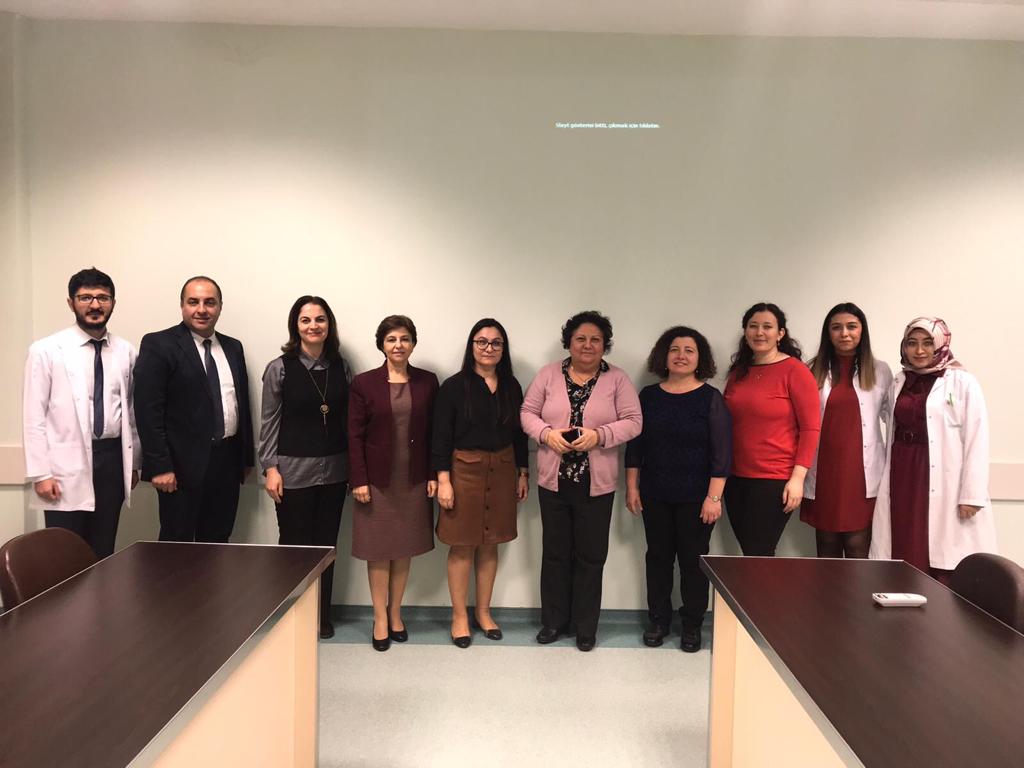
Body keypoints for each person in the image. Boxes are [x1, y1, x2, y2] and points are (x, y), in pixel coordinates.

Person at [521, 310, 642, 652]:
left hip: (596, 484)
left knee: (591, 556)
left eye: (595, 340)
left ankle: (585, 627)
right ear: (569, 342)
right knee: (555, 554)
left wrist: (599, 435)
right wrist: (546, 434)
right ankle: (553, 622)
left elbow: (634, 421)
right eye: (580, 339)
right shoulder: (548, 375)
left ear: (605, 345)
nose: (588, 345)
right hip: (554, 481)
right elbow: (527, 413)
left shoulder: (617, 379)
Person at [625, 326, 731, 652]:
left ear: (700, 358)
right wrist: (631, 487)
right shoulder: (648, 396)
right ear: (664, 356)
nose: (681, 355)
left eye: (689, 350)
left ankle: (692, 625)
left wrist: (714, 497)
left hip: (697, 499)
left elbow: (722, 453)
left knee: (692, 562)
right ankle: (658, 620)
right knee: (657, 559)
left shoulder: (711, 398)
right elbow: (635, 447)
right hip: (654, 494)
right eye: (674, 349)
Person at [22, 267, 141, 558]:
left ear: (113, 303)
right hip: (65, 465)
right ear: (71, 302)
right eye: (85, 297)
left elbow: (131, 411)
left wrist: (133, 464)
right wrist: (40, 473)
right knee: (64, 551)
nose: (95, 305)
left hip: (112, 460)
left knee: (103, 547)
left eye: (103, 298)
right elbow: (34, 415)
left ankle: (101, 591)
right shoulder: (47, 350)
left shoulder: (126, 351)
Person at [869, 317, 995, 583]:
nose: (919, 350)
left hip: (942, 471)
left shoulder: (962, 381)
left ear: (940, 344)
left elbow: (977, 437)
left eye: (928, 343)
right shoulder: (899, 381)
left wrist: (971, 494)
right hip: (902, 470)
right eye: (912, 343)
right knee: (903, 539)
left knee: (942, 549)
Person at [259, 296, 353, 640]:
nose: (314, 326)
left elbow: (348, 420)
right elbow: (269, 421)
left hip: (335, 471)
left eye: (320, 319)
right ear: (295, 326)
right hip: (292, 472)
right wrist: (270, 468)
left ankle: (321, 616)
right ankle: (293, 617)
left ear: (329, 325)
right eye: (306, 320)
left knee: (326, 548)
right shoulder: (280, 368)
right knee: (295, 549)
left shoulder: (342, 367)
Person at [134, 276, 254, 542]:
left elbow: (241, 405)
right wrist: (160, 466)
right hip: (179, 468)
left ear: (220, 307)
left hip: (226, 463)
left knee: (218, 542)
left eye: (210, 302)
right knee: (177, 545)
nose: (202, 309)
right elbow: (147, 411)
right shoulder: (159, 344)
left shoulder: (233, 347)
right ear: (182, 306)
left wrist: (246, 458)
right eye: (193, 302)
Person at [432, 319, 529, 648]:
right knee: (462, 545)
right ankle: (459, 616)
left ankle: (483, 612)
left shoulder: (511, 386)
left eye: (496, 343)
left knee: (491, 544)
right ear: (471, 346)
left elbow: (519, 435)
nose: (489, 348)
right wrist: (443, 480)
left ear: (504, 349)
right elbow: (440, 437)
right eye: (482, 342)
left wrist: (523, 473)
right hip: (463, 472)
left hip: (502, 470)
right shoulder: (453, 386)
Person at [348, 315, 438, 651]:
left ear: (413, 343)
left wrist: (433, 474)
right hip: (376, 482)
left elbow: (435, 433)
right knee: (378, 551)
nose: (398, 345)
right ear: (381, 345)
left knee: (403, 549)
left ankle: (396, 613)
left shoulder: (428, 381)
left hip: (413, 480)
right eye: (391, 339)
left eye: (404, 339)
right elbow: (354, 436)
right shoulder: (364, 383)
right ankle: (379, 618)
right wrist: (359, 479)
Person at [723, 302, 819, 557]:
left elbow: (810, 429)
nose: (759, 332)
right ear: (745, 332)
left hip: (774, 478)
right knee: (750, 553)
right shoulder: (738, 373)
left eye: (767, 326)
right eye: (753, 326)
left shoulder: (795, 371)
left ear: (780, 333)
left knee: (759, 552)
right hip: (735, 477)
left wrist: (798, 478)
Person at [802, 303, 893, 558]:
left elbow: (894, 420)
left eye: (851, 326)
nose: (844, 333)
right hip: (824, 470)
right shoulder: (812, 370)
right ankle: (826, 588)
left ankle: (859, 588)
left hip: (860, 473)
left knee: (857, 544)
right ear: (828, 333)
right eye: (837, 327)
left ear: (862, 331)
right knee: (827, 543)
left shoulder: (880, 371)